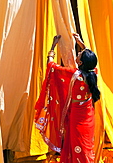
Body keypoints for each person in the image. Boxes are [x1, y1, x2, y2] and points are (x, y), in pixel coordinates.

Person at [35, 33, 100, 163]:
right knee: (84, 145)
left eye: (79, 54)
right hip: (88, 115)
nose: (78, 54)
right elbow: (90, 61)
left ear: (80, 62)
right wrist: (81, 43)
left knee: (78, 145)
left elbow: (52, 67)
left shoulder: (74, 75)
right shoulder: (94, 73)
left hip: (76, 116)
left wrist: (52, 48)